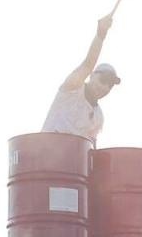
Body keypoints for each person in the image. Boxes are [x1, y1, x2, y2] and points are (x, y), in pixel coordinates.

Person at [41, 14, 121, 144]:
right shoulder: (72, 89)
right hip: (46, 151)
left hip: (71, 157)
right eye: (103, 80)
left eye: (110, 85)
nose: (105, 87)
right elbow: (87, 65)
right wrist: (100, 35)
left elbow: (90, 148)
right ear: (92, 75)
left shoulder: (99, 117)